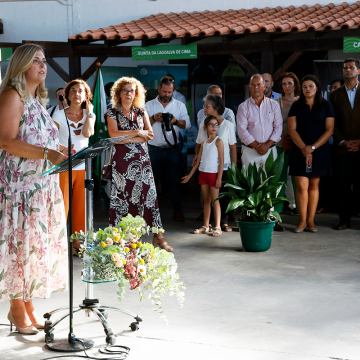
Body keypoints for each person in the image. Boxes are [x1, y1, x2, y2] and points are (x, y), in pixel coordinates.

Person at [0, 44, 69, 334]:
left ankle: (27, 306)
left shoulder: (37, 100)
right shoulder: (12, 97)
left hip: (42, 188)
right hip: (21, 190)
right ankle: (16, 308)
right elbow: (6, 141)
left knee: (32, 249)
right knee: (20, 247)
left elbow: (38, 139)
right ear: (21, 65)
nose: (43, 66)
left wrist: (58, 149)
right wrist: (46, 153)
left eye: (44, 61)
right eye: (36, 61)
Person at [105, 77, 172, 251]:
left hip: (142, 160)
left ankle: (158, 235)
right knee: (123, 198)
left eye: (132, 90)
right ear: (119, 92)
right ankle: (125, 238)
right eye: (125, 90)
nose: (129, 93)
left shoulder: (141, 111)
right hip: (121, 161)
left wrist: (127, 136)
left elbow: (150, 135)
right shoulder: (112, 112)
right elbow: (113, 136)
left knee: (149, 195)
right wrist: (137, 133)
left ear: (137, 93)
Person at [52, 79, 95, 254]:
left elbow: (87, 133)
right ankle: (58, 244)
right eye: (73, 91)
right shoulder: (59, 115)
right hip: (63, 166)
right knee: (62, 207)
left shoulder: (88, 115)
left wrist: (90, 113)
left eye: (80, 91)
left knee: (80, 208)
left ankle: (77, 244)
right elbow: (52, 138)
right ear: (67, 95)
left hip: (83, 167)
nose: (77, 94)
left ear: (86, 95)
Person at [288, 75, 334, 233]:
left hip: (319, 150)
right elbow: (291, 130)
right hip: (299, 149)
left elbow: (330, 130)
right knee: (301, 185)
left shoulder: (326, 105)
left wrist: (312, 148)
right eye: (305, 86)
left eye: (311, 86)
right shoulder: (296, 105)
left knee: (314, 185)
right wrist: (304, 148)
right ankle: (301, 221)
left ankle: (311, 221)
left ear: (317, 88)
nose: (308, 89)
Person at [237, 74, 283, 230]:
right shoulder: (243, 107)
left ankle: (269, 218)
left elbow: (278, 128)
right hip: (250, 151)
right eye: (252, 85)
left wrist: (267, 145)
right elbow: (242, 131)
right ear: (249, 87)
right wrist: (258, 145)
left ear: (265, 86)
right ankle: (251, 217)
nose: (256, 87)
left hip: (269, 151)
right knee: (251, 185)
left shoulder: (274, 105)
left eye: (259, 85)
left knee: (269, 184)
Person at [145, 76, 191, 222]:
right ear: (159, 89)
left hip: (172, 150)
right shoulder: (148, 105)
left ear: (173, 91)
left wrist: (175, 121)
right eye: (164, 92)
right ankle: (149, 214)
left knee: (174, 181)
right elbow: (140, 126)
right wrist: (153, 119)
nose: (167, 95)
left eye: (169, 92)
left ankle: (177, 211)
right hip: (153, 149)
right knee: (151, 182)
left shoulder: (179, 106)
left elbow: (188, 125)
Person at [195, 94, 237, 232]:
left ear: (216, 107)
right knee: (208, 197)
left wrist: (234, 166)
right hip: (207, 167)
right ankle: (209, 224)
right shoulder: (203, 124)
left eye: (207, 105)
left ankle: (222, 222)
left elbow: (233, 147)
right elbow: (199, 143)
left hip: (223, 167)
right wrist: (197, 157)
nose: (204, 108)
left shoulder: (228, 125)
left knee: (223, 195)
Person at [329, 58, 360, 230]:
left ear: (358, 71)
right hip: (342, 149)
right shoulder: (334, 95)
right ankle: (344, 220)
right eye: (345, 68)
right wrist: (342, 141)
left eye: (352, 67)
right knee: (343, 186)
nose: (348, 70)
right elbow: (332, 123)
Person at [182, 115, 224, 236]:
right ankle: (206, 226)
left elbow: (221, 162)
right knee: (206, 200)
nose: (214, 127)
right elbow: (198, 161)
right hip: (203, 174)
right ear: (205, 127)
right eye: (211, 124)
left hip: (214, 174)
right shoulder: (204, 142)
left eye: (216, 124)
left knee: (215, 200)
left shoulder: (219, 141)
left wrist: (219, 178)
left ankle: (218, 227)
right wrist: (189, 176)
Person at [274, 72, 301, 216]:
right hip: (280, 143)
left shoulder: (302, 100)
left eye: (290, 83)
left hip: (298, 143)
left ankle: (299, 208)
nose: (287, 86)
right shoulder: (276, 102)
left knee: (298, 176)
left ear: (295, 85)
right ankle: (278, 211)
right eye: (284, 83)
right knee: (280, 177)